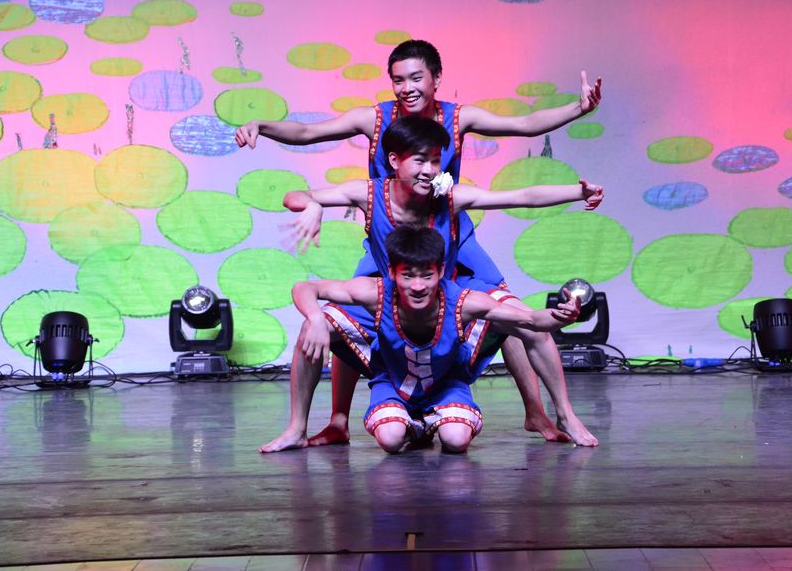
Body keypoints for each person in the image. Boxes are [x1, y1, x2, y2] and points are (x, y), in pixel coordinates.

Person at [237, 39, 602, 443]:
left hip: (446, 232)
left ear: (436, 79)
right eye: (398, 80)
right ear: (395, 159)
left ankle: (545, 413)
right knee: (343, 311)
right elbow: (309, 132)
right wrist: (264, 130)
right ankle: (336, 420)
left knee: (509, 310)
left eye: (416, 78)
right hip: (389, 238)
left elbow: (524, 137)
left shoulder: (455, 134)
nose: (407, 88)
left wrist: (578, 115)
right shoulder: (374, 140)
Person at [261, 225, 586, 454]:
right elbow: (306, 288)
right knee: (390, 439)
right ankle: (387, 424)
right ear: (392, 273)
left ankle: (538, 414)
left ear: (441, 272)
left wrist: (561, 316)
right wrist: (315, 318)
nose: (417, 286)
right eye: (408, 276)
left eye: (427, 276)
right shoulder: (376, 292)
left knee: (456, 440)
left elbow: (529, 320)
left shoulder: (463, 300)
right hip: (395, 385)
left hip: (445, 385)